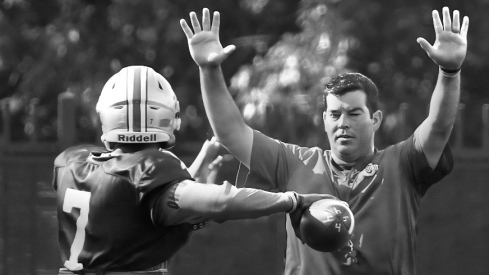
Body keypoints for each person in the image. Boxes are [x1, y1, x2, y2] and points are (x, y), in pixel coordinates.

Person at [180, 6, 468, 275]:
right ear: (325, 119)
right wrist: (209, 70)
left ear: (376, 119)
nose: (343, 123)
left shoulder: (402, 164)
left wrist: (449, 72)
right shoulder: (295, 163)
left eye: (354, 113)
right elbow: (231, 133)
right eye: (335, 114)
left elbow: (440, 127)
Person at [52, 65, 338, 275]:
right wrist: (291, 200)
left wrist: (194, 171)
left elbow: (130, 207)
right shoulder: (149, 173)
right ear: (167, 116)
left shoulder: (70, 162)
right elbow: (221, 201)